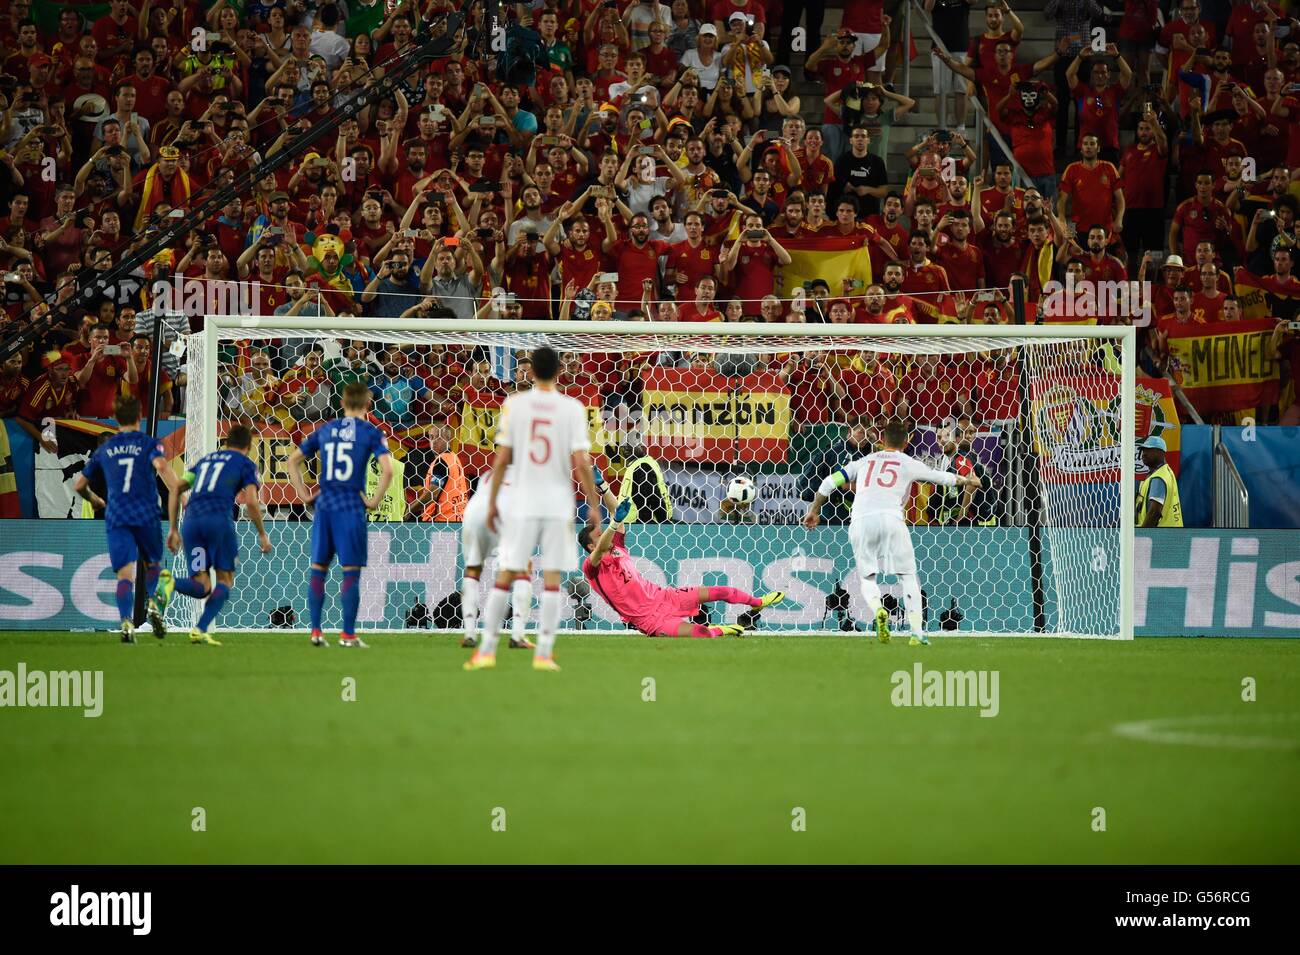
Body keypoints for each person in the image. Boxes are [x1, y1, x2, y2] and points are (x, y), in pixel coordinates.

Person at [465, 346, 602, 672]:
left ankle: (485, 651)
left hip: (523, 500)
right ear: (558, 372)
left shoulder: (515, 404)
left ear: (530, 372)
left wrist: (493, 500)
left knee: (507, 573)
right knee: (552, 579)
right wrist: (593, 505)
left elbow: (502, 458)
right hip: (557, 501)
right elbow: (582, 463)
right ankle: (543, 654)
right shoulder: (572, 407)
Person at [802, 418, 980, 645]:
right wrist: (968, 480)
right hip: (892, 519)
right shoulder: (908, 462)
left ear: (881, 439)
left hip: (861, 521)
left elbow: (829, 482)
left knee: (867, 577)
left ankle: (878, 610)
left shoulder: (863, 461)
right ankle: (917, 633)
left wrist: (814, 511)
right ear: (906, 441)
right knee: (907, 576)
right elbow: (942, 478)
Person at [581, 481, 785, 638]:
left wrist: (604, 488)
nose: (606, 534)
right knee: (701, 634)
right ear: (591, 546)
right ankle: (723, 630)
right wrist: (615, 522)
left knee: (720, 590)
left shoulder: (617, 548)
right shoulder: (592, 567)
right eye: (599, 535)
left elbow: (617, 514)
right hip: (649, 620)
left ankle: (757, 602)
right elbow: (604, 542)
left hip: (664, 596)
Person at [285, 382, 395, 648]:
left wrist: (303, 494)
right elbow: (388, 470)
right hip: (350, 506)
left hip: (325, 505)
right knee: (350, 572)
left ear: (342, 403)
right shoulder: (370, 431)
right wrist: (372, 500)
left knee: (318, 569)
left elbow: (292, 460)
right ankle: (347, 635)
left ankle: (315, 632)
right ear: (367, 404)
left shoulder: (326, 429)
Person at [72, 394, 182, 643]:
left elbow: (79, 485)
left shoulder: (106, 448)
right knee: (155, 568)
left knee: (125, 574)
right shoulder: (148, 443)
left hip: (118, 516)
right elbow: (164, 470)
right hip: (146, 514)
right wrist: (179, 497)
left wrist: (93, 499)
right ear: (140, 416)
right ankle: (154, 605)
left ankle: (126, 622)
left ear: (114, 418)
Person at [159, 425, 272, 646]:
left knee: (202, 586)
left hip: (191, 523)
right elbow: (250, 501)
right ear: (248, 447)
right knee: (225, 580)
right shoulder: (246, 464)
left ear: (226, 442)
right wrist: (262, 533)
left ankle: (169, 583)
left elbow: (177, 488)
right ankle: (200, 629)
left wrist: (173, 528)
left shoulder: (206, 461)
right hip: (218, 523)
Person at [1135, 435, 1183, 527]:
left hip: (1160, 536)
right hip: (1171, 533)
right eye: (1143, 450)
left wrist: (1144, 535)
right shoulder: (1164, 472)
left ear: (1161, 453)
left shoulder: (1159, 477)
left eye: (1149, 450)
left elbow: (1155, 512)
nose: (1144, 453)